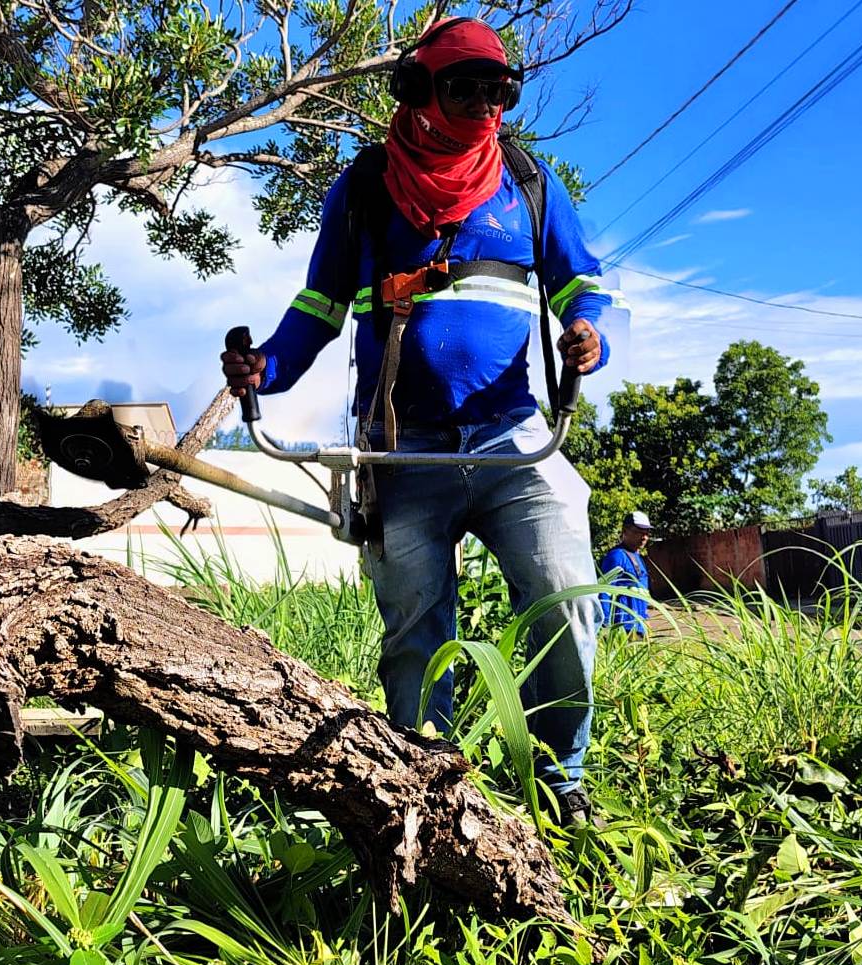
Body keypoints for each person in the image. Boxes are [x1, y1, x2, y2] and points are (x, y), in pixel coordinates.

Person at [220, 17, 618, 826]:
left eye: (499, 91)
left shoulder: (526, 183)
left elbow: (581, 281)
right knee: (414, 628)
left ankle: (560, 776)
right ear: (415, 92)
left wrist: (589, 331)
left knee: (566, 593)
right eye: (464, 88)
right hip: (402, 448)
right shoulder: (367, 188)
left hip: (513, 437)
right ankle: (422, 783)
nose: (484, 105)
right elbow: (320, 305)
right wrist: (269, 365)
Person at [600, 511, 653, 636]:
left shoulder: (638, 557)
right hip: (623, 628)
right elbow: (604, 592)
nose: (644, 537)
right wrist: (606, 625)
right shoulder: (617, 556)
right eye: (638, 532)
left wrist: (645, 618)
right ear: (625, 531)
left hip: (639, 626)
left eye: (646, 533)